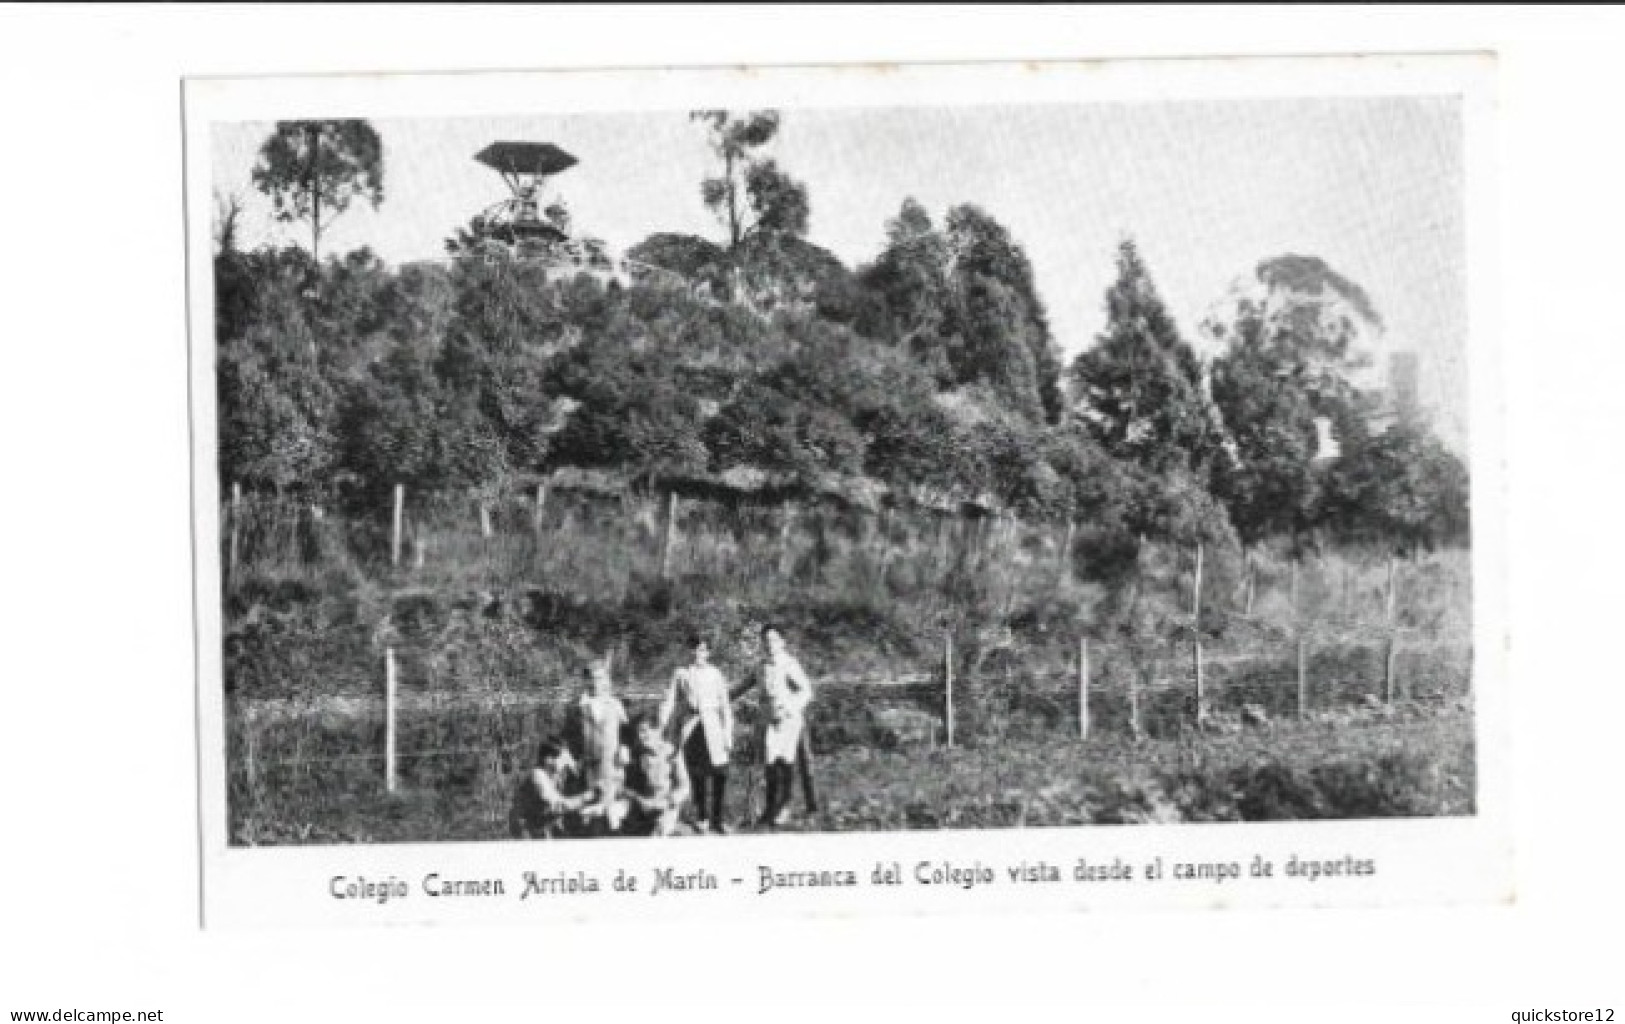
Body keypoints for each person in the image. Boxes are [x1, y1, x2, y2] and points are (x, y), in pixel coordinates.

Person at [660, 635, 735, 834]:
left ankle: (717, 820)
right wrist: (663, 726)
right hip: (692, 727)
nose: (697, 654)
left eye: (702, 650)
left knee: (720, 773)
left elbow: (725, 706)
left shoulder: (716, 674)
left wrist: (728, 733)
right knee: (698, 775)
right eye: (694, 649)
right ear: (688, 651)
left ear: (708, 653)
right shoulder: (681, 673)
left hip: (713, 727)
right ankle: (702, 817)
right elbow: (669, 700)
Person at [563, 654, 629, 832]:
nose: (595, 683)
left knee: (611, 809)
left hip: (611, 764)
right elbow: (568, 737)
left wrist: (623, 749)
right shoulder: (577, 707)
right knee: (589, 811)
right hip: (587, 765)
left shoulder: (615, 704)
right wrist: (571, 759)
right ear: (585, 681)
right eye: (591, 679)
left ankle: (614, 834)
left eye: (600, 678)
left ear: (606, 680)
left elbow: (625, 733)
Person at [756, 623, 812, 827]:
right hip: (769, 720)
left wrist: (788, 707)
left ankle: (784, 806)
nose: (769, 644)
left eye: (773, 640)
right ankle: (769, 808)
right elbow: (747, 684)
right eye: (765, 640)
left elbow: (806, 690)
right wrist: (723, 699)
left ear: (782, 642)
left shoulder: (789, 664)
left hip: (788, 719)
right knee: (769, 762)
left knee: (785, 762)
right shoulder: (761, 665)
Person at [619, 711, 692, 837]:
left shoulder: (672, 753)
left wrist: (669, 801)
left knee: (658, 832)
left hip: (666, 805)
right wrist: (638, 799)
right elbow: (623, 786)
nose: (640, 736)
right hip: (641, 804)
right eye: (638, 732)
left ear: (658, 731)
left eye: (644, 731)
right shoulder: (636, 754)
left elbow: (685, 786)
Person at [509, 739, 593, 839]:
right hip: (527, 829)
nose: (564, 765)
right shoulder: (538, 776)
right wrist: (589, 796)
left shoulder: (552, 775)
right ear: (548, 759)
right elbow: (559, 806)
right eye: (562, 759)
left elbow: (574, 768)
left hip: (542, 825)